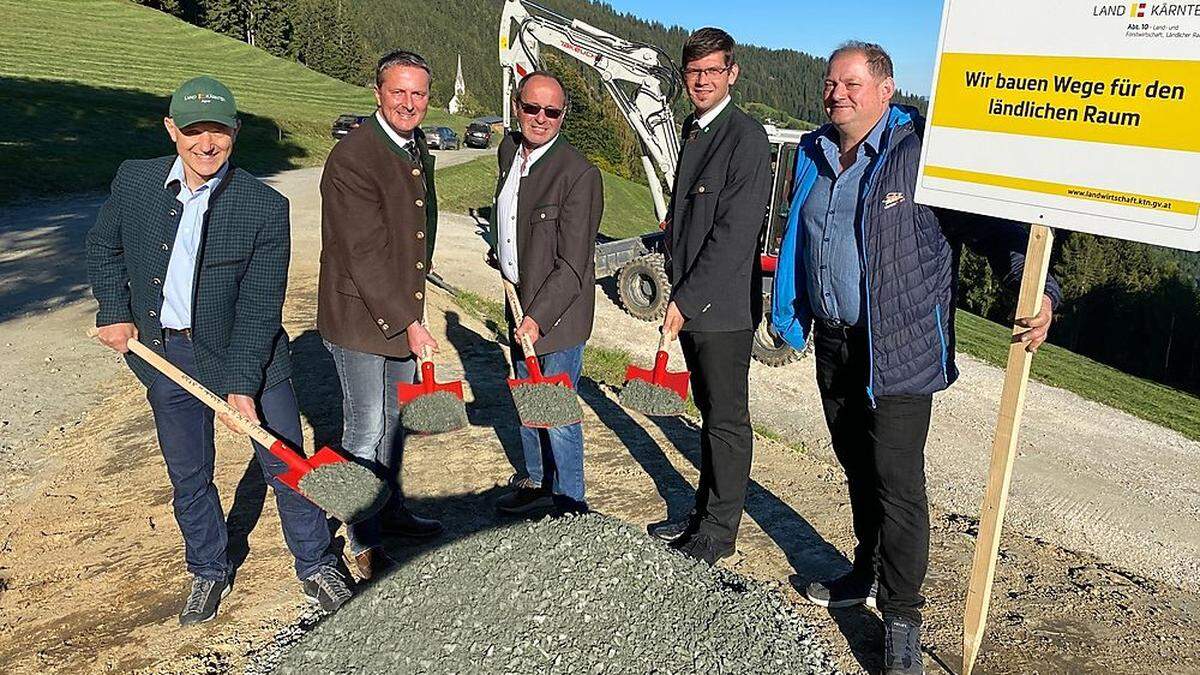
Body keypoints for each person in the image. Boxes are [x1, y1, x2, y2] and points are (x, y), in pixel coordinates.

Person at [772, 42, 1061, 675]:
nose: (836, 94)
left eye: (850, 83)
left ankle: (902, 618)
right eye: (829, 84)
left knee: (898, 485)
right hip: (836, 342)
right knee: (855, 464)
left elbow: (1001, 230)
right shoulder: (818, 154)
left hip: (899, 351)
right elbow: (804, 234)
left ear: (885, 88)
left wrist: (1038, 289)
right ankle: (865, 570)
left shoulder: (922, 156)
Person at [86, 76, 351, 625]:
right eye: (192, 131)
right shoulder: (135, 182)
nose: (205, 144)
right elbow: (103, 246)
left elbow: (259, 309)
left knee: (284, 461)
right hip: (167, 357)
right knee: (189, 473)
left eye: (217, 131)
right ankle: (208, 568)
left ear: (235, 131)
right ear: (171, 130)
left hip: (250, 357)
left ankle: (316, 561)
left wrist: (241, 384)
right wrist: (114, 310)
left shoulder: (263, 207)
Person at [646, 28, 773, 564]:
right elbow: (696, 217)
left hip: (719, 311)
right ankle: (702, 511)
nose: (701, 81)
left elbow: (733, 235)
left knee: (725, 420)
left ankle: (719, 530)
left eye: (712, 71)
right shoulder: (694, 131)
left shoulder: (745, 138)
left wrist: (684, 300)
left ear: (732, 74)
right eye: (693, 72)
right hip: (695, 301)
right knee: (707, 413)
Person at [317, 50, 443, 581]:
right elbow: (363, 252)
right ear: (377, 93)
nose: (408, 103)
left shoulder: (412, 149)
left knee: (394, 424)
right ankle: (362, 539)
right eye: (399, 92)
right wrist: (411, 321)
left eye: (418, 94)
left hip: (397, 312)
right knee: (365, 427)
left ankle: (389, 511)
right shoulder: (354, 157)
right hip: (358, 317)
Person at [486, 71, 604, 516]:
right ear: (517, 107)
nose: (540, 118)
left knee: (556, 410)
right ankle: (537, 481)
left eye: (551, 111)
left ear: (563, 115)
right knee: (527, 399)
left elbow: (574, 266)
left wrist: (536, 319)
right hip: (518, 306)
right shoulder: (508, 152)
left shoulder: (578, 174)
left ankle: (571, 503)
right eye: (532, 107)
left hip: (557, 315)